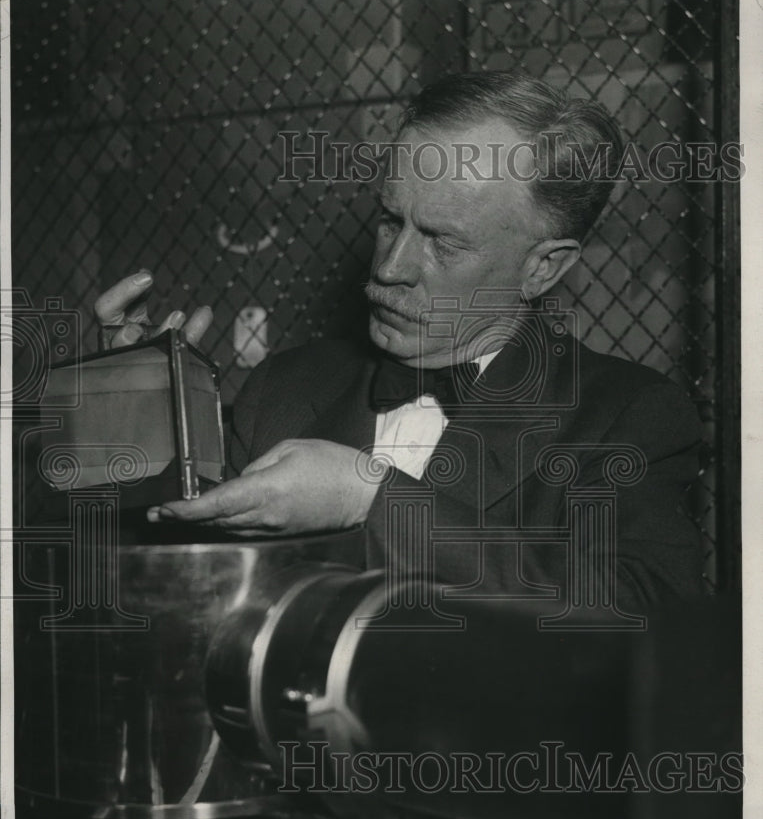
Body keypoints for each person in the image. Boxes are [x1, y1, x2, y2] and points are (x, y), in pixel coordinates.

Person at [95, 71, 704, 607]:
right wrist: (136, 424)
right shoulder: (285, 388)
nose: (390, 267)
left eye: (443, 240)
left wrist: (370, 499)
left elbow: (648, 617)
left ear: (543, 267)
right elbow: (159, 591)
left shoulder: (628, 418)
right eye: (391, 220)